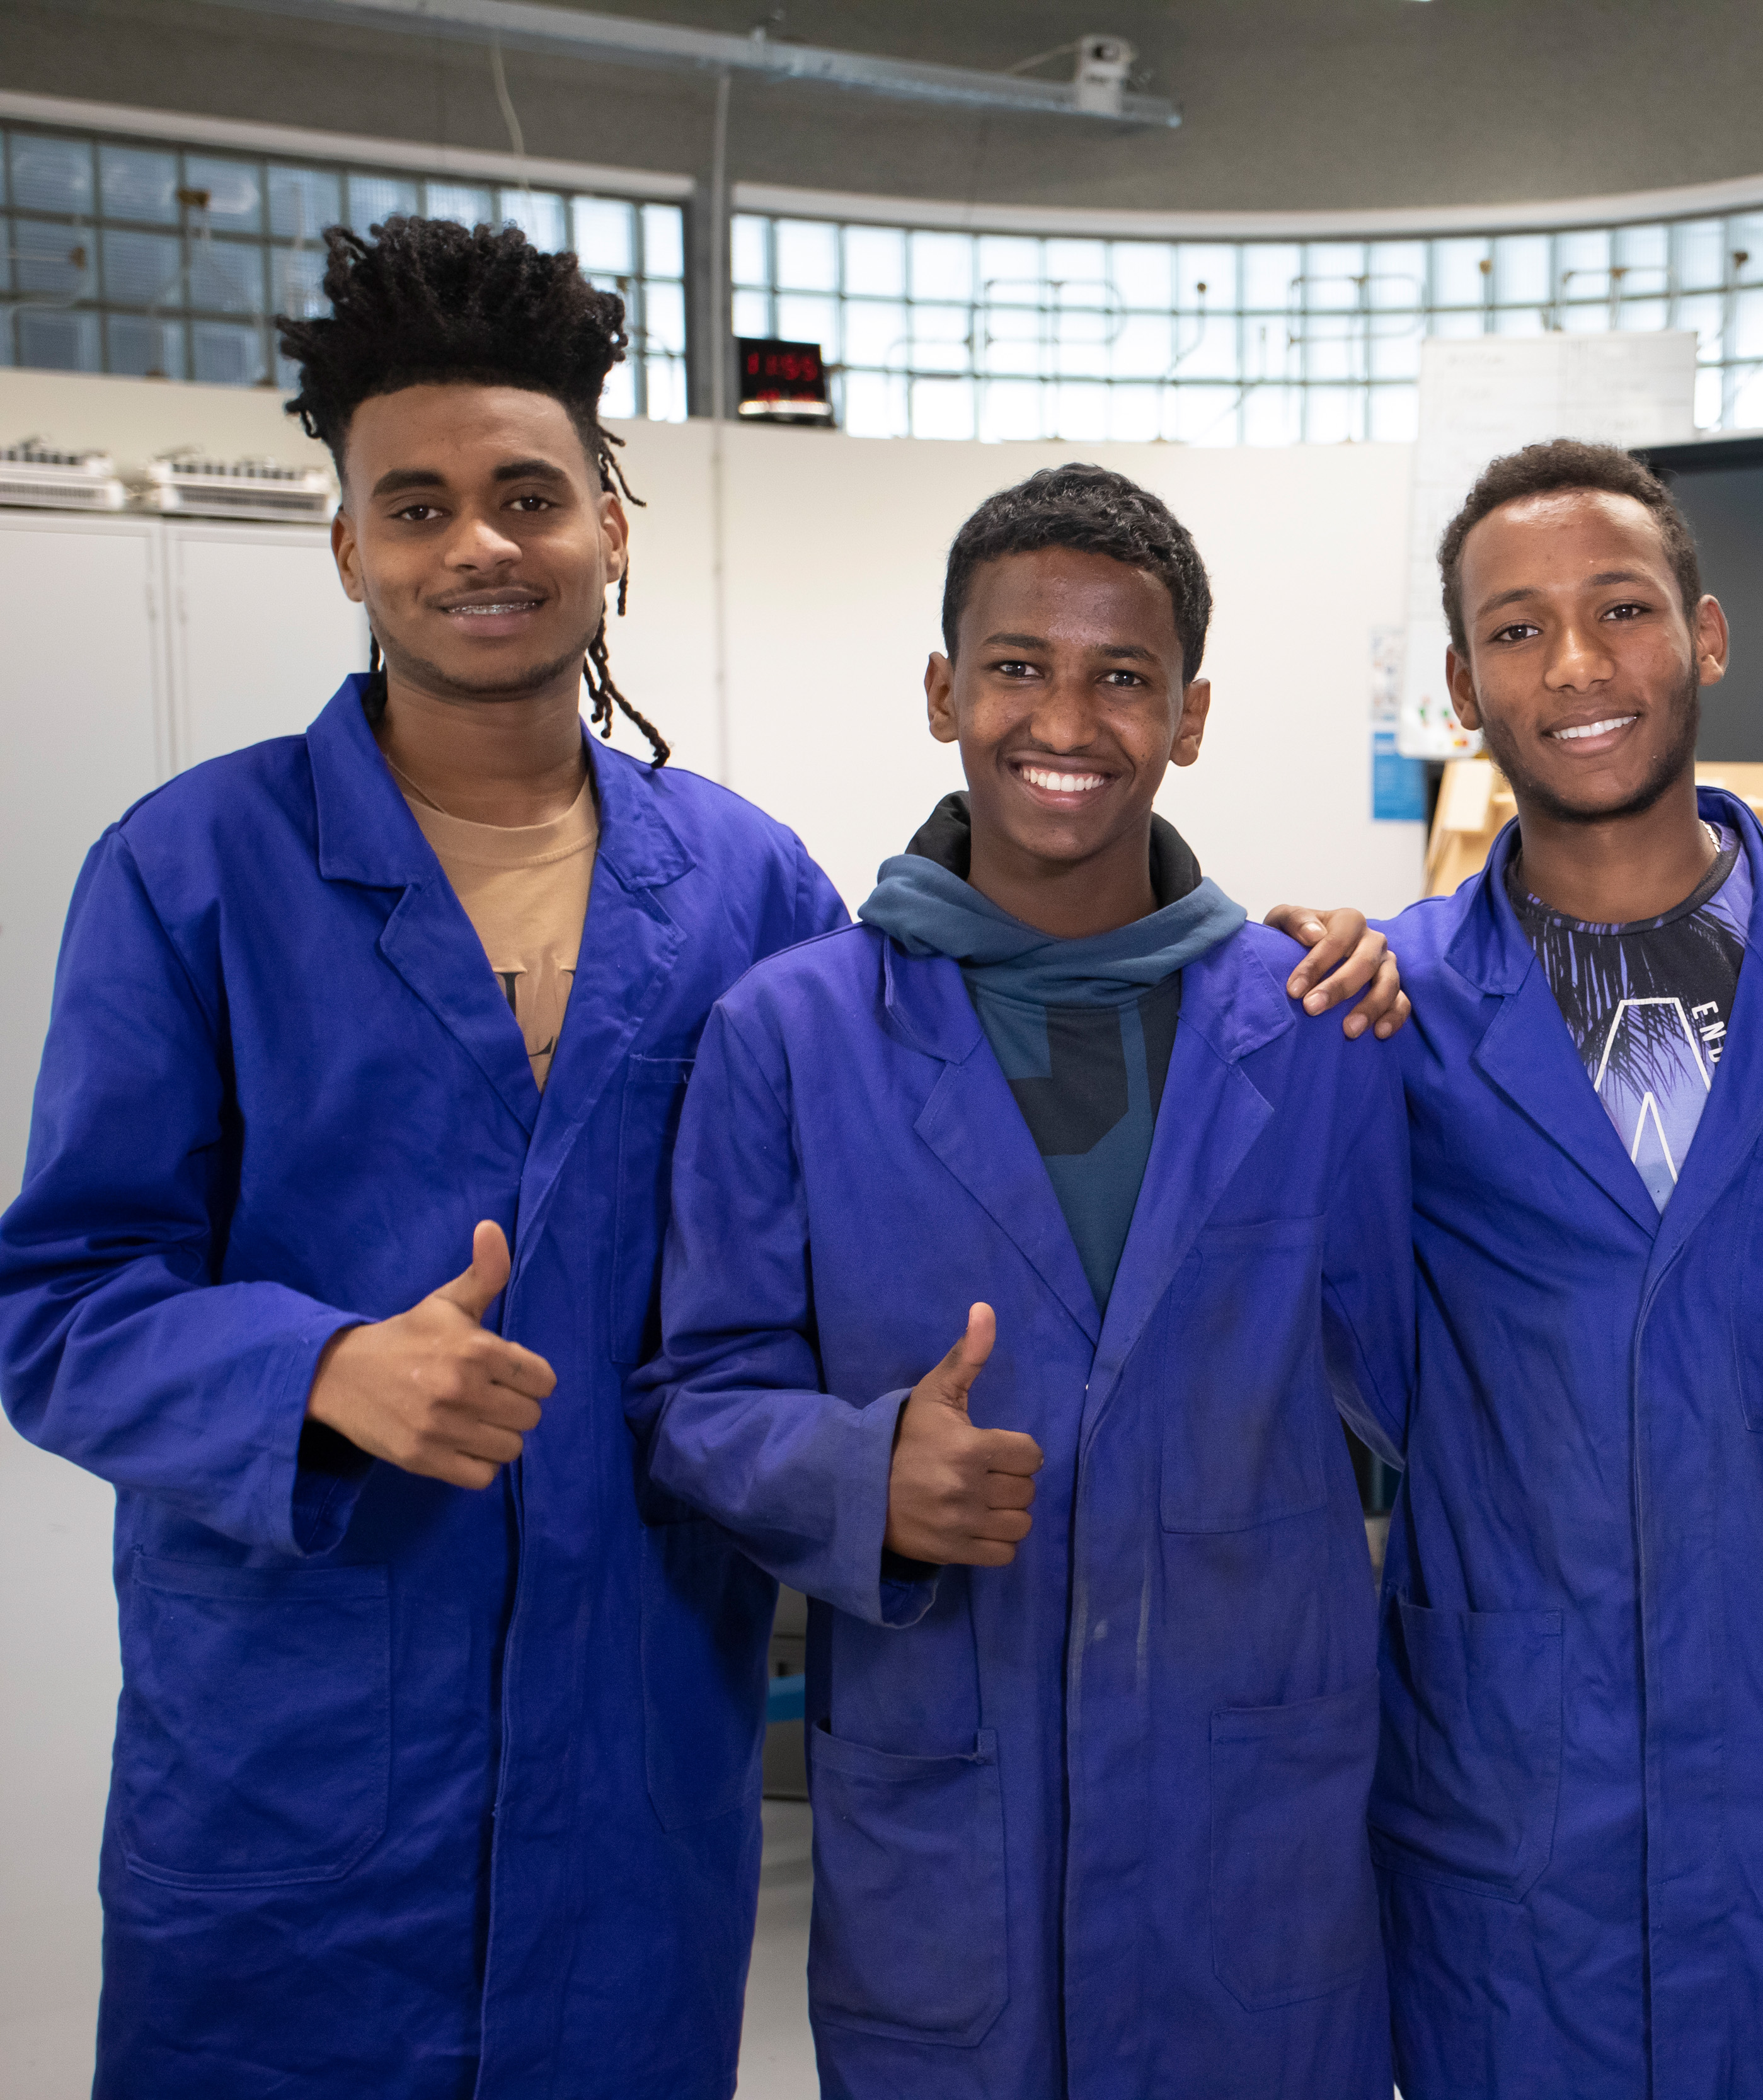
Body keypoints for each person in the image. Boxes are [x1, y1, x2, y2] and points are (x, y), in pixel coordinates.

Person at [0, 215, 842, 2096]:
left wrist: (1269, 972)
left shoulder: (748, 888)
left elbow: (860, 1203)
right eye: (420, 504)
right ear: (350, 547)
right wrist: (316, 1367)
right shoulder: (190, 873)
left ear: (612, 527)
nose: (480, 545)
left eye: (529, 494)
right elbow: (58, 1307)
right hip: (294, 1767)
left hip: (629, 1743)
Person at [633, 463, 1413, 2099]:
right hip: (951, 1849)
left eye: (1123, 676)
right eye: (1016, 666)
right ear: (943, 693)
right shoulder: (794, 1035)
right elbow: (694, 1403)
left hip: (1254, 1850)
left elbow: (1439, 1392)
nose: (1067, 717)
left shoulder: (1323, 1027)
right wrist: (864, 1475)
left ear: (1191, 718)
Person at [1371, 440, 1763, 2099]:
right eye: (1516, 630)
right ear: (1460, 682)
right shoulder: (1391, 1013)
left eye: (1621, 610)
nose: (1575, 667)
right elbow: (1345, 1351)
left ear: (1707, 638)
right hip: (1521, 1774)